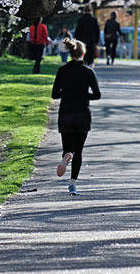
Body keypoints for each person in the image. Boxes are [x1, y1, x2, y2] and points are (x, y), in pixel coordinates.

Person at [51, 38, 101, 196]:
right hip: (82, 114)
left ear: (70, 52)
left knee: (67, 147)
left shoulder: (62, 70)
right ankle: (72, 183)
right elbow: (97, 95)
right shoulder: (88, 72)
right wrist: (83, 95)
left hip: (65, 113)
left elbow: (54, 94)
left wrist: (67, 94)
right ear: (83, 53)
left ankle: (67, 156)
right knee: (79, 150)